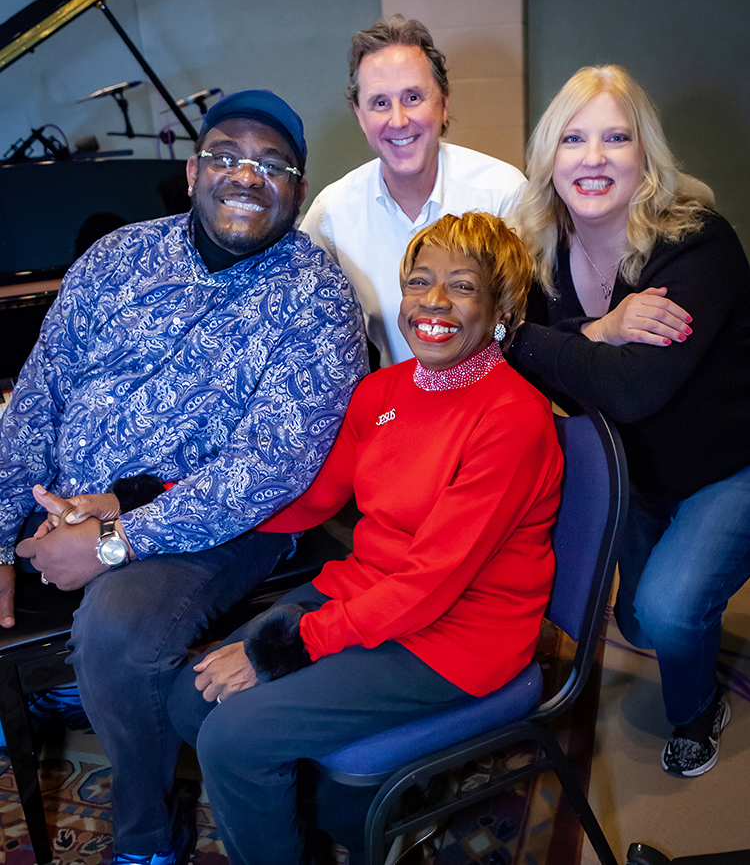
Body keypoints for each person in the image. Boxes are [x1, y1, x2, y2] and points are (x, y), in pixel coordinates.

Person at [1, 90, 368, 863]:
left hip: (219, 526)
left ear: (298, 190)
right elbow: (38, 392)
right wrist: (4, 532)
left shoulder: (316, 295)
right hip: (69, 502)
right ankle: (61, 694)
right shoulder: (116, 258)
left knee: (116, 631)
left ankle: (146, 838)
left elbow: (272, 464)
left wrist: (111, 539)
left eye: (273, 166)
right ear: (196, 169)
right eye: (229, 157)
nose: (247, 176)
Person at [139, 211, 563, 865]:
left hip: (456, 638)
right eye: (419, 282)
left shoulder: (513, 419)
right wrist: (175, 503)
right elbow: (311, 501)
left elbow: (428, 587)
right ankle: (358, 819)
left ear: (502, 309)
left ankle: (340, 825)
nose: (434, 302)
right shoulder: (382, 391)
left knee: (233, 739)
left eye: (462, 286)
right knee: (189, 698)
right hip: (369, 595)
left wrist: (285, 647)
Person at [506, 65, 750, 777]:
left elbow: (633, 388)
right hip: (636, 472)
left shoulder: (698, 242)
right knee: (639, 620)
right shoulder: (539, 245)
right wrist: (602, 327)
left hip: (726, 464)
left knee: (670, 612)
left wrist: (528, 337)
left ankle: (699, 710)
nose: (594, 157)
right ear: (550, 155)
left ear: (645, 154)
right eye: (574, 139)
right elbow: (525, 364)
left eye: (617, 137)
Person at [301, 15, 526, 367]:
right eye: (379, 103)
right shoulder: (332, 213)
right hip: (396, 406)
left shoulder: (503, 194)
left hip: (494, 401)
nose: (398, 120)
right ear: (359, 115)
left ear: (444, 104)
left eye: (412, 97)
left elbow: (527, 324)